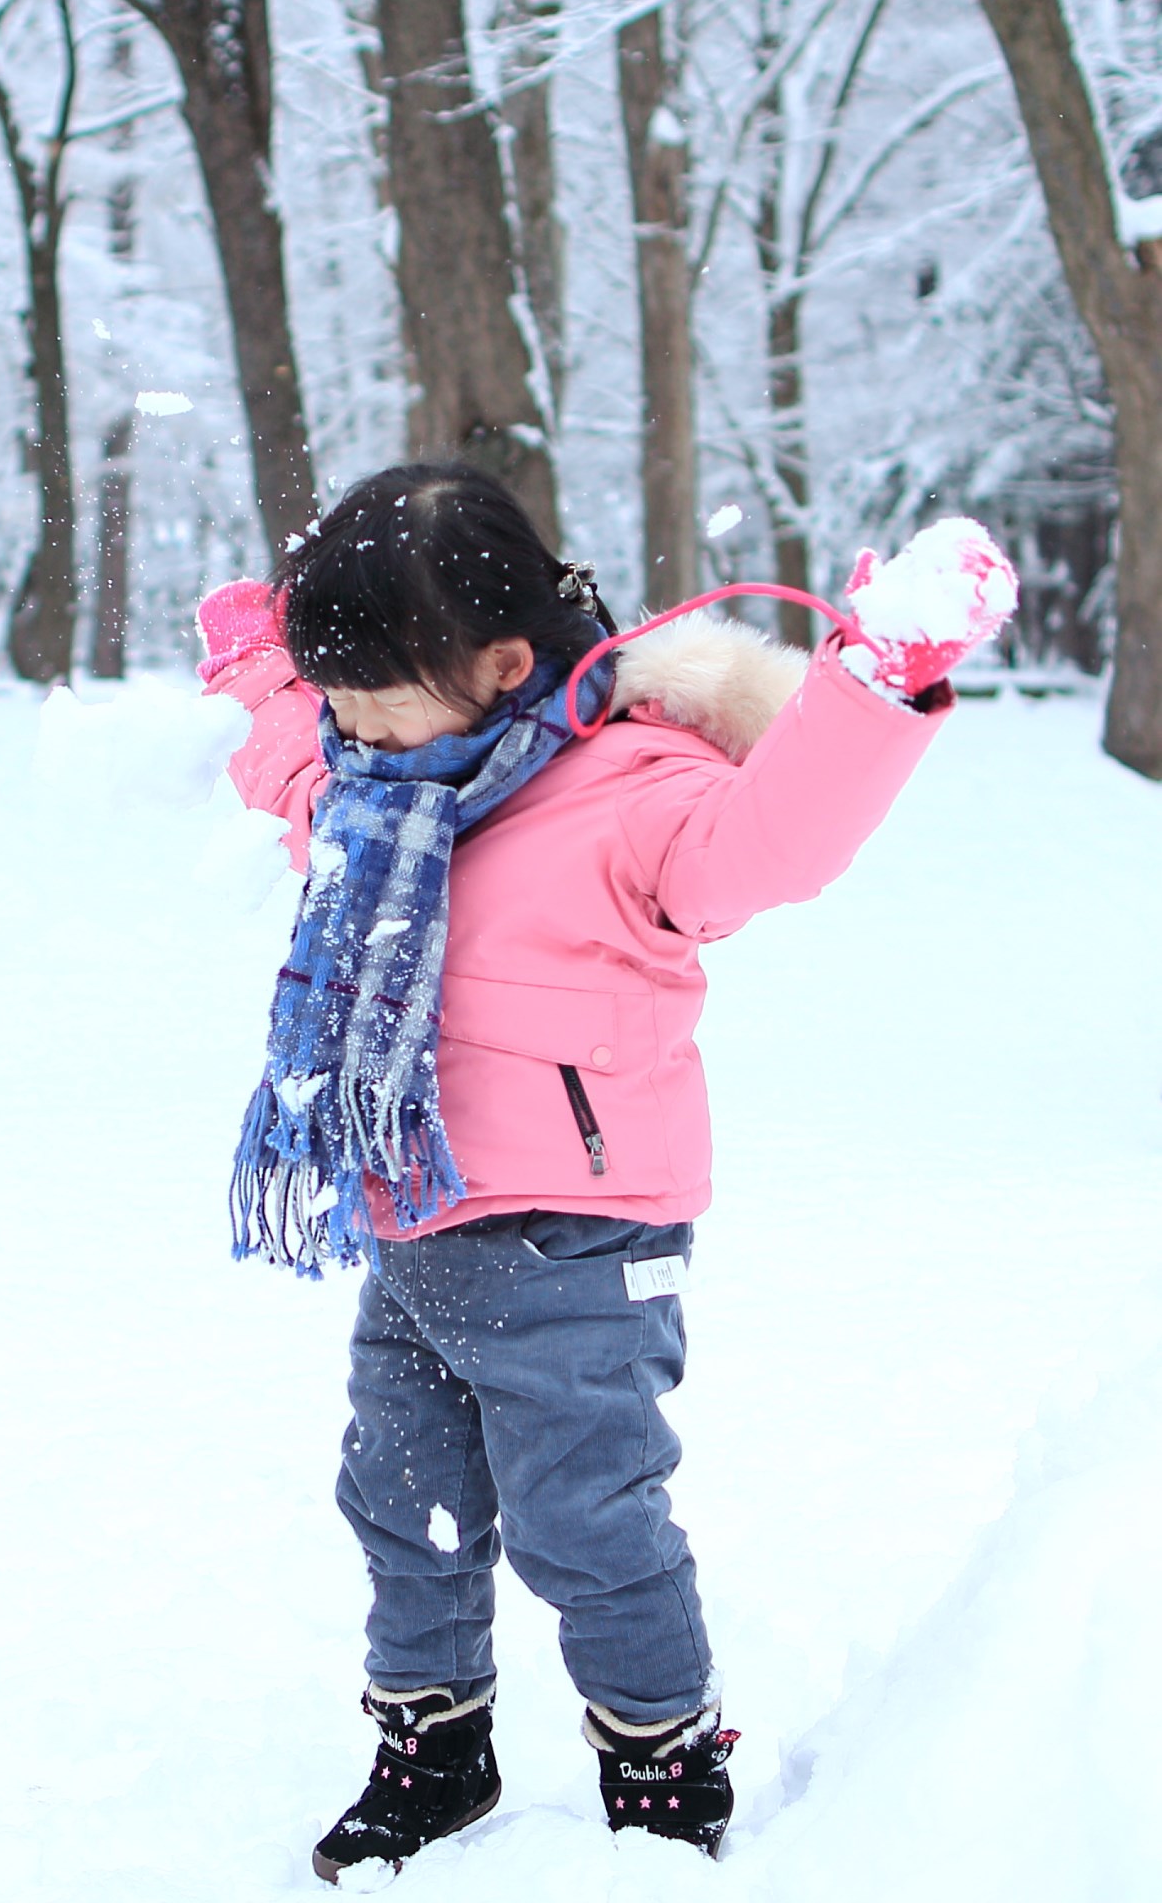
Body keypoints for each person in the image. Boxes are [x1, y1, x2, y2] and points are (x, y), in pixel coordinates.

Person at [197, 463, 1015, 1884]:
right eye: (340, 704)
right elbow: (290, 760)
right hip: (415, 1224)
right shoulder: (376, 783)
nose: (350, 733)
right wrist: (267, 671)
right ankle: (432, 1746)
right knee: (400, 1503)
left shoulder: (639, 792)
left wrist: (875, 685)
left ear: (502, 664)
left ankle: (660, 1766)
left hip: (578, 1238)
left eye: (374, 701)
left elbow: (779, 842)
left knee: (588, 1524)